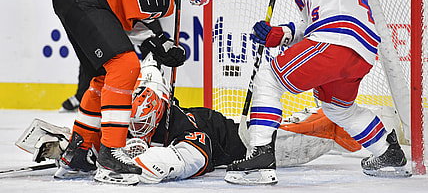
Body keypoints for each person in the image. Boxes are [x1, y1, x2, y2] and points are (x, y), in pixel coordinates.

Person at [225, 0, 410, 185]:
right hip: (357, 50)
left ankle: (261, 156)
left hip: (338, 39)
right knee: (338, 110)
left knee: (269, 76)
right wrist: (279, 34)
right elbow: (308, 25)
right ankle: (387, 152)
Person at [51, 0, 225, 185]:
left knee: (105, 77)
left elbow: (132, 22)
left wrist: (158, 42)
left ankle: (77, 153)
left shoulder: (167, 4)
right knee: (126, 66)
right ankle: (111, 155)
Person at [17, 52, 361, 184]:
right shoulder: (130, 119)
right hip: (238, 134)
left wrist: (142, 160)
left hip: (248, 142)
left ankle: (383, 131)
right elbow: (106, 145)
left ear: (159, 101)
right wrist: (66, 145)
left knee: (325, 129)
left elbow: (192, 156)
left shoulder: (178, 121)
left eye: (144, 102)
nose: (137, 113)